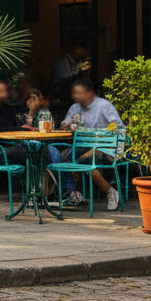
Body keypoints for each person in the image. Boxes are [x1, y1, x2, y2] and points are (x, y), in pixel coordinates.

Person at [60, 79, 123, 210]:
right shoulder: (75, 107)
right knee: (60, 157)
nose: (74, 96)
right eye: (74, 93)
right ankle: (74, 194)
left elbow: (118, 127)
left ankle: (110, 191)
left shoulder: (103, 105)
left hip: (104, 146)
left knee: (82, 160)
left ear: (89, 93)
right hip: (81, 147)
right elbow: (66, 123)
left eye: (78, 93)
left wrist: (120, 149)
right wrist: (66, 125)